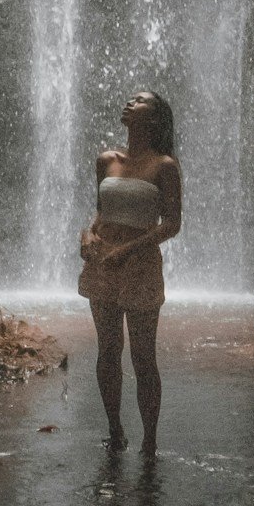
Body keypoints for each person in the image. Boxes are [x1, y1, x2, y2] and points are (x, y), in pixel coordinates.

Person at [77, 90, 182, 458]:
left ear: (153, 118)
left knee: (143, 356)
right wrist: (86, 236)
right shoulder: (106, 160)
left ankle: (149, 441)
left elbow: (172, 223)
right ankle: (115, 430)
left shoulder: (164, 166)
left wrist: (128, 250)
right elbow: (100, 212)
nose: (129, 102)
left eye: (139, 100)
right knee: (108, 350)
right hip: (102, 264)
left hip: (140, 266)